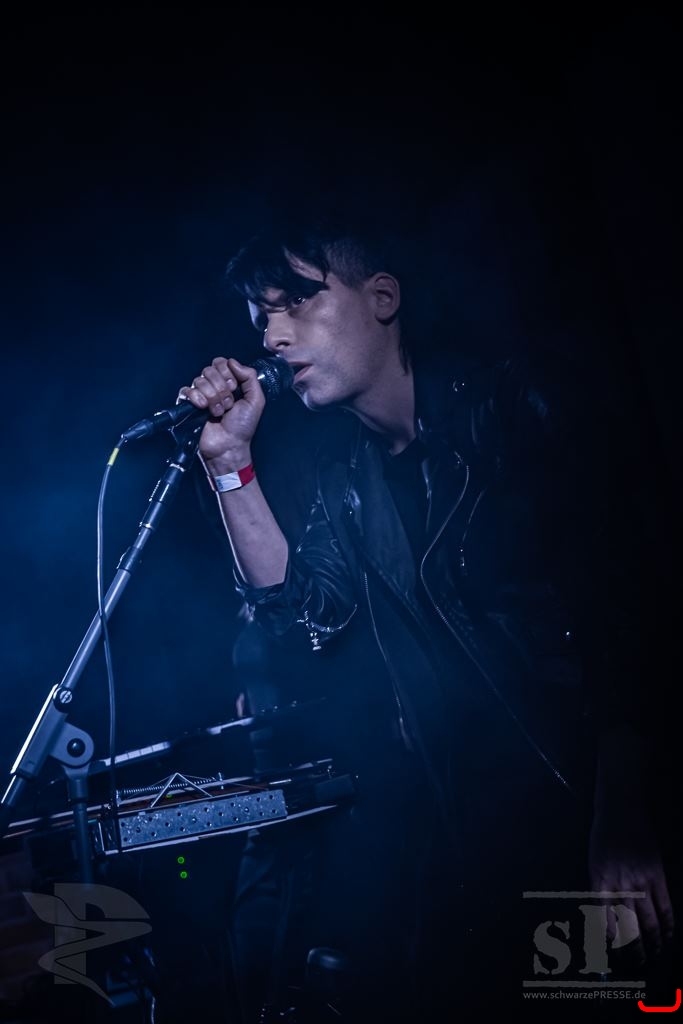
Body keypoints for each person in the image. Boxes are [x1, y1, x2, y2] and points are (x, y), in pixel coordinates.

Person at [177, 197, 677, 1020]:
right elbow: (305, 632)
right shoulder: (346, 486)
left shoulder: (515, 413)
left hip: (603, 817)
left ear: (381, 297)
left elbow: (628, 618)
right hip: (487, 844)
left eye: (296, 301)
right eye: (260, 318)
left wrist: (624, 816)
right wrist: (229, 461)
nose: (271, 337)